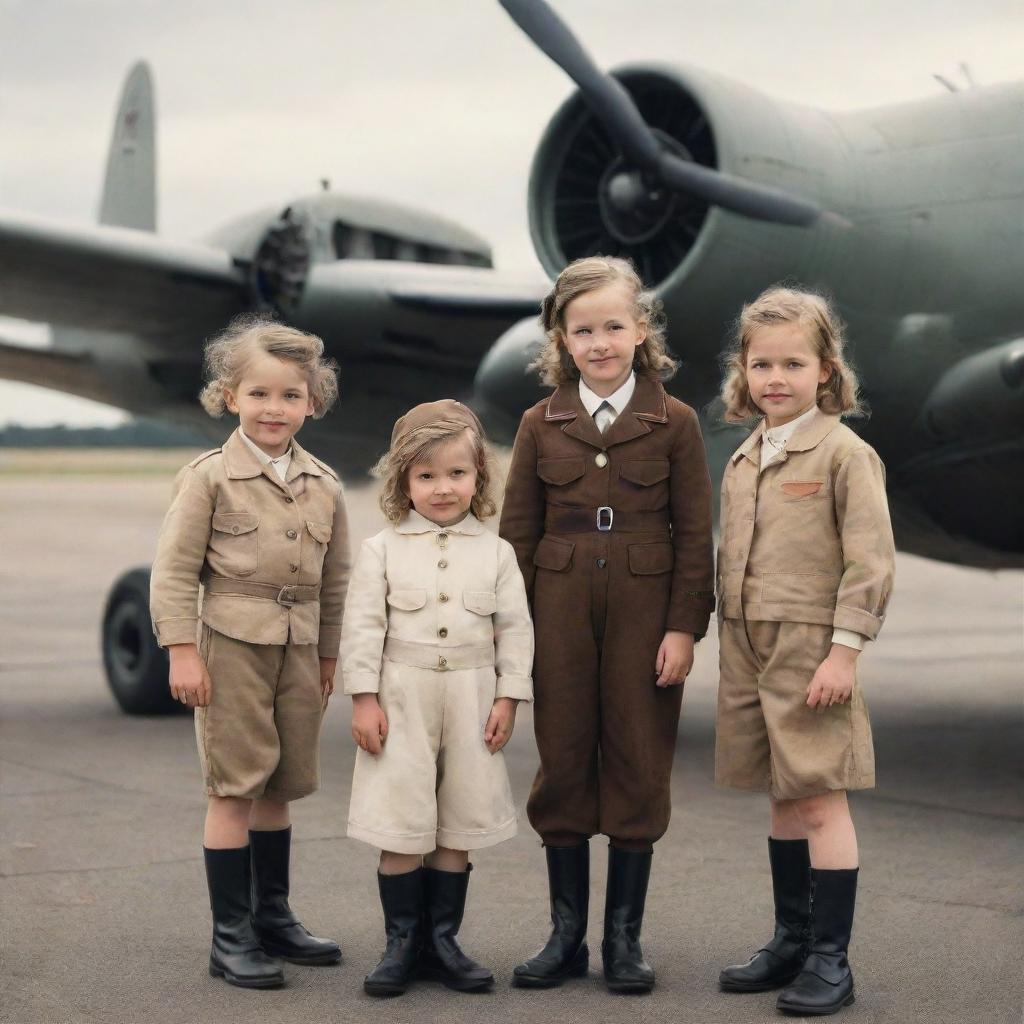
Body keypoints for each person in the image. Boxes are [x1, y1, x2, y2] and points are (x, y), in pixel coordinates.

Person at [499, 255, 715, 992]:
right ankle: (565, 937)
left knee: (637, 755)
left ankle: (623, 939)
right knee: (561, 757)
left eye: (613, 326)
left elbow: (694, 534)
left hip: (645, 613)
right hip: (555, 609)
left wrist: (683, 628)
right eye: (582, 329)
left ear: (641, 329)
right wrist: (510, 633)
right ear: (561, 338)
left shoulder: (674, 421)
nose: (599, 342)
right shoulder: (540, 423)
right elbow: (515, 538)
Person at [150, 314, 350, 989]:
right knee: (235, 786)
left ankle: (274, 918)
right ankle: (229, 938)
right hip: (230, 648)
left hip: (297, 655)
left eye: (290, 395)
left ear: (312, 404)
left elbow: (337, 580)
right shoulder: (209, 478)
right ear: (230, 396)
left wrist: (328, 657)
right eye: (259, 394)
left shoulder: (324, 484)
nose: (274, 408)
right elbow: (174, 571)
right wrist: (182, 650)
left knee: (283, 784)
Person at [714, 286, 895, 1016]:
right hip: (746, 645)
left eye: (793, 363)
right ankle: (791, 939)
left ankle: (830, 959)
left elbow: (871, 563)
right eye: (762, 365)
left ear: (825, 369)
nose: (776, 379)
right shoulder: (745, 455)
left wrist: (844, 653)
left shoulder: (846, 453)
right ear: (744, 372)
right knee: (782, 798)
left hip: (812, 647)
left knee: (820, 797)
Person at [342, 399, 534, 997]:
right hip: (401, 697)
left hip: (473, 698)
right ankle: (402, 942)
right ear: (403, 481)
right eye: (425, 476)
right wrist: (363, 698)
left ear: (480, 476)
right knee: (401, 819)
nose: (443, 488)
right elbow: (362, 627)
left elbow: (518, 630)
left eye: (457, 473)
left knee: (459, 819)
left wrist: (509, 699)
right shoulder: (382, 549)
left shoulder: (496, 553)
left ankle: (443, 941)